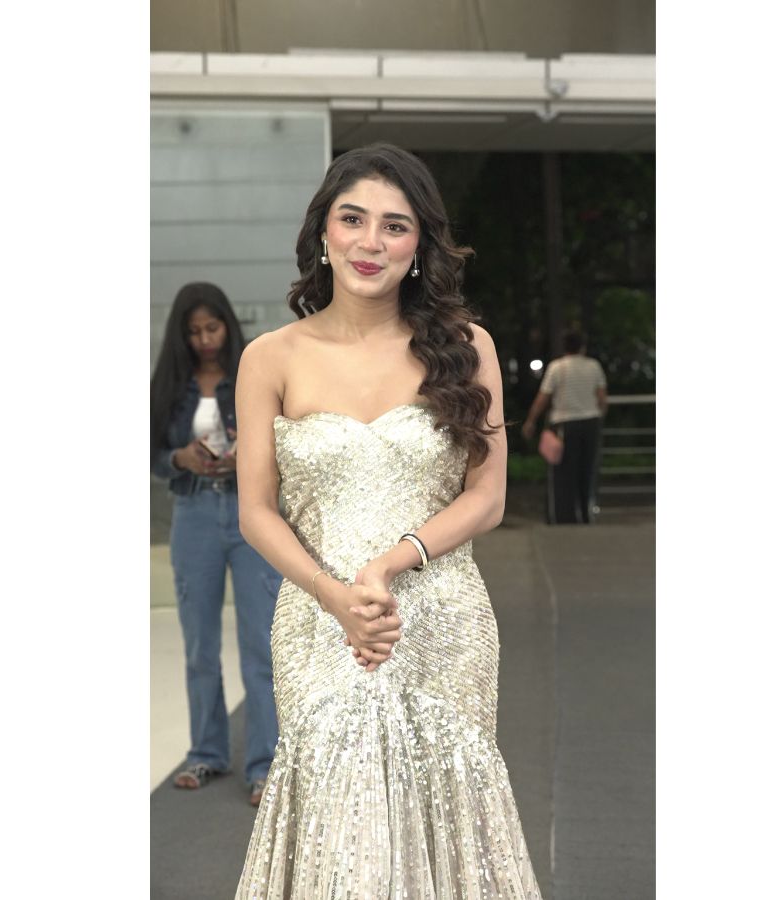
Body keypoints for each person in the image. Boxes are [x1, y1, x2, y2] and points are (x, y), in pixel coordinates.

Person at [233, 144, 542, 897]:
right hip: (320, 621)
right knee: (340, 823)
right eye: (353, 219)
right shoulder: (269, 357)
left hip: (440, 619)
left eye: (395, 226)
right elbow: (256, 511)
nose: (370, 242)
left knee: (446, 801)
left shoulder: (466, 348)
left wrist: (392, 562)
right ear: (324, 232)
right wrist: (336, 597)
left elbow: (487, 496)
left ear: (419, 245)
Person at [150, 282, 283, 806]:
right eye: (194, 331)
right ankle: (207, 752)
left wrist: (250, 452)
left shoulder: (253, 372)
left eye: (212, 328)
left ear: (228, 325)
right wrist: (179, 458)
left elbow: (284, 438)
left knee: (261, 643)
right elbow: (152, 454)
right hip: (195, 515)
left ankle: (265, 764)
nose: (205, 339)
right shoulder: (169, 386)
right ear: (181, 336)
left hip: (252, 512)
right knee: (200, 646)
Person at [521, 330, 608, 524]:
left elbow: (543, 397)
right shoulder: (594, 366)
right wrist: (599, 414)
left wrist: (531, 420)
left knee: (562, 472)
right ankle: (586, 513)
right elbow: (602, 398)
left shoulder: (557, 367)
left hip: (564, 423)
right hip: (591, 422)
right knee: (588, 469)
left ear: (565, 347)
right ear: (582, 347)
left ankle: (563, 515)